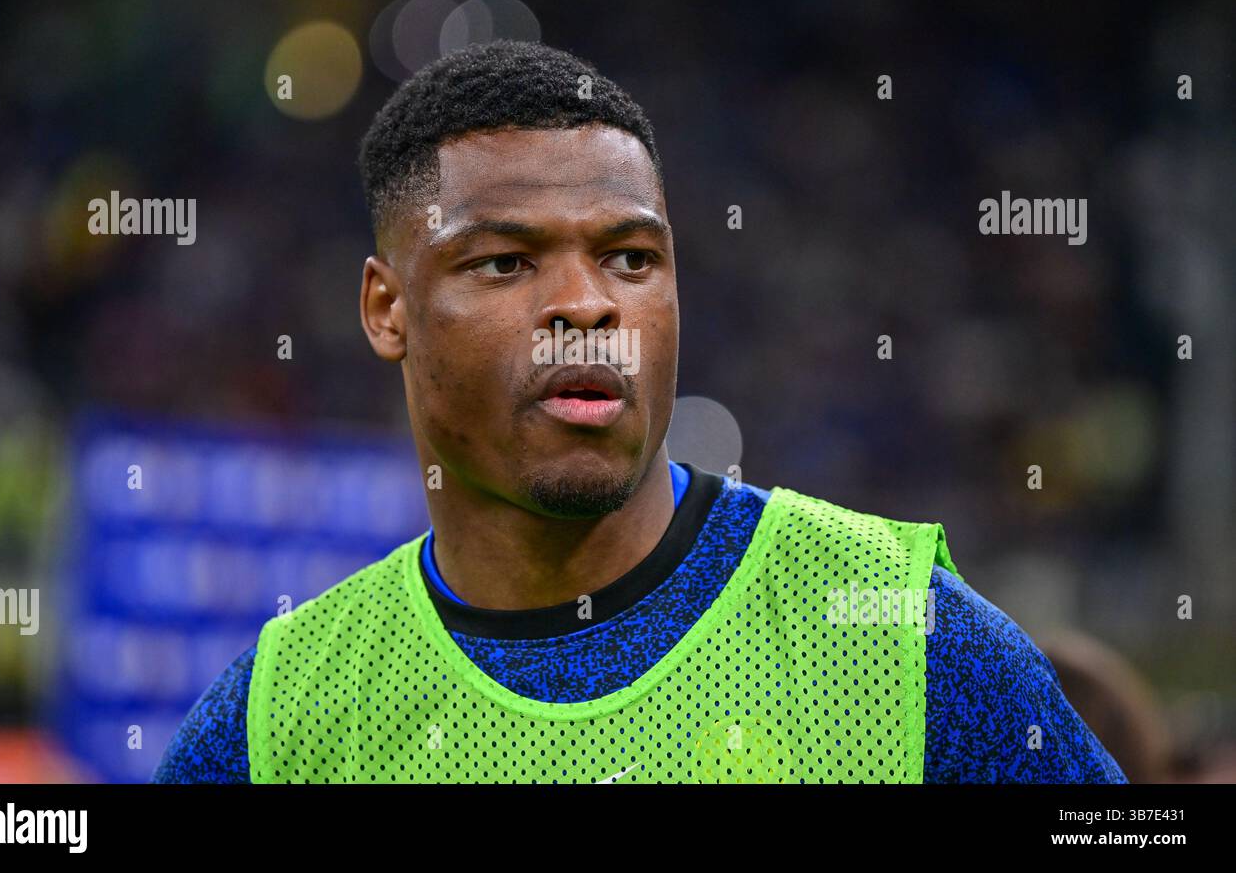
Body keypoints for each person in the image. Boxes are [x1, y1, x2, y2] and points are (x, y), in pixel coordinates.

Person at [153, 39, 1125, 783]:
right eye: (505, 261)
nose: (589, 304)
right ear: (386, 308)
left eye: (630, 256)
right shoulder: (279, 719)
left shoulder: (900, 637)